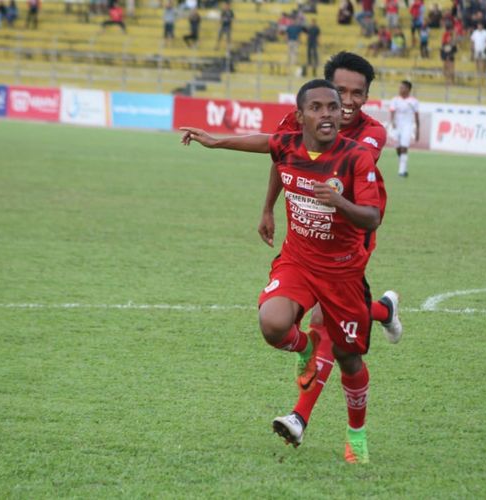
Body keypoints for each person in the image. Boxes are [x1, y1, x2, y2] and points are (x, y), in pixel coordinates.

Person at [179, 52, 402, 457]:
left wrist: (335, 195)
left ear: (364, 97)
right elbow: (276, 150)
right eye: (332, 98)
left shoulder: (365, 143)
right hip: (300, 253)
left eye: (351, 97)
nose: (344, 104)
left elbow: (368, 211)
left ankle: (352, 433)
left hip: (346, 253)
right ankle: (314, 365)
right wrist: (220, 146)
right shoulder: (298, 128)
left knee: (344, 349)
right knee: (278, 324)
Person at [389, 80, 419, 177]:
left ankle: (401, 171)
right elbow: (392, 113)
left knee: (404, 147)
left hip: (407, 126)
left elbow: (417, 116)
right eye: (400, 87)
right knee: (398, 148)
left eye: (402, 87)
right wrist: (392, 122)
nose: (400, 89)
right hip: (397, 126)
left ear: (408, 89)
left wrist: (418, 130)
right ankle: (404, 167)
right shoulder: (395, 100)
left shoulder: (413, 101)